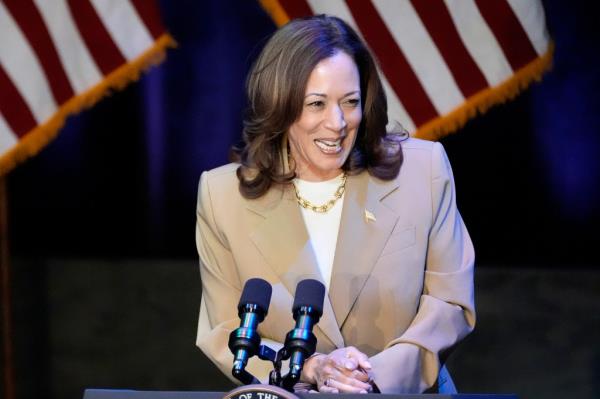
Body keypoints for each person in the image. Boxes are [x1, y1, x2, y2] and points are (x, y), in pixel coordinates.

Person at [195, 14, 475, 394]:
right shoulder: (222, 195)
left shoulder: (423, 171)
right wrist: (311, 368)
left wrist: (370, 379)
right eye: (316, 104)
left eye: (350, 102)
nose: (338, 122)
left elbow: (450, 304)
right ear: (281, 104)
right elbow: (224, 329)